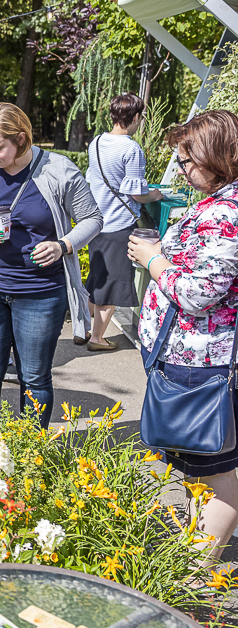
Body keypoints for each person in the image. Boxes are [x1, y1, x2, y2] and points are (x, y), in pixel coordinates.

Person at [0, 103, 102, 429]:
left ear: (21, 139)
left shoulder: (59, 170)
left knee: (33, 378)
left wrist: (63, 245)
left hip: (41, 292)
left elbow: (92, 219)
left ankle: (29, 453)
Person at [128, 110, 238, 562]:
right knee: (195, 460)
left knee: (216, 468)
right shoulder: (217, 204)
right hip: (189, 357)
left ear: (218, 158)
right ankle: (194, 553)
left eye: (187, 159)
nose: (180, 169)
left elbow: (197, 293)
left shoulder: (227, 212)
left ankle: (196, 571)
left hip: (203, 363)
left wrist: (154, 260)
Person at [83, 93, 164, 352]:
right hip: (118, 223)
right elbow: (136, 192)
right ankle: (96, 338)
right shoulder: (131, 149)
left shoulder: (96, 142)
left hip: (95, 221)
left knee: (96, 276)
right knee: (113, 280)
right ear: (136, 117)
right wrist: (155, 195)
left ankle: (84, 329)